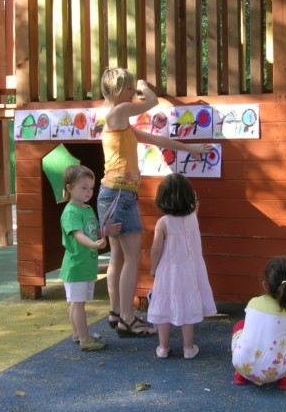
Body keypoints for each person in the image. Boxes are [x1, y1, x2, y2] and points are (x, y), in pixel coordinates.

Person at [97, 67, 214, 338]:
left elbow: (156, 138)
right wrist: (144, 87)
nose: (132, 94)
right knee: (133, 256)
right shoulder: (116, 113)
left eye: (132, 90)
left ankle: (116, 312)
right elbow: (151, 102)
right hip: (119, 195)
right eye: (128, 90)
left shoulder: (121, 122)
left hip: (114, 194)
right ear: (117, 90)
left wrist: (192, 149)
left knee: (118, 256)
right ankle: (127, 317)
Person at [147, 173, 217, 359]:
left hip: (168, 271)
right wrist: (191, 196)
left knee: (163, 308)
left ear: (161, 198)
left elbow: (155, 250)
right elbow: (196, 203)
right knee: (187, 309)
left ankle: (163, 347)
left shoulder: (163, 223)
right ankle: (188, 348)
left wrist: (153, 268)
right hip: (190, 271)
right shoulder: (192, 217)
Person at [60, 165, 121, 351]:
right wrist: (94, 244)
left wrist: (104, 231)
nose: (88, 192)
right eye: (83, 187)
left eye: (91, 188)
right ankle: (86, 339)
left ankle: (78, 334)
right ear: (70, 188)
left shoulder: (86, 209)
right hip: (76, 266)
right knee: (78, 305)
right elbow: (78, 235)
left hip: (85, 266)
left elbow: (90, 231)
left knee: (77, 303)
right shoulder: (71, 212)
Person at [231, 257, 286, 389]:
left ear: (265, 285)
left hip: (241, 366)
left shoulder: (253, 302)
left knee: (240, 325)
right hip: (274, 372)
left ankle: (240, 374)